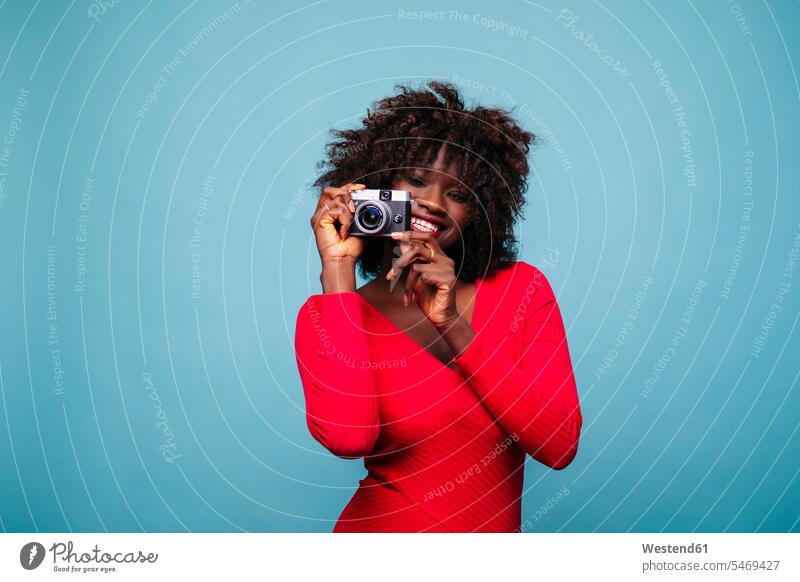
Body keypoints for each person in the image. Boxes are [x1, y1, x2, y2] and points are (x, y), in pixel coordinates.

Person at [294, 81, 582, 532]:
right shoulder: (330, 312)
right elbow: (350, 437)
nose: (432, 202)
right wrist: (337, 269)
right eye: (415, 180)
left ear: (482, 209)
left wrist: (453, 325)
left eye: (460, 194)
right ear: (376, 186)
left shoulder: (522, 290)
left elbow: (559, 444)